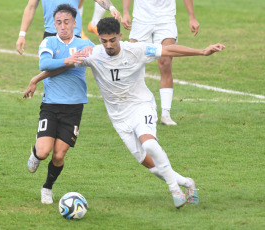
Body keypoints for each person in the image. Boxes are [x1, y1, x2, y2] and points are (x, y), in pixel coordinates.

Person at [28, 17, 224, 208]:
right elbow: (66, 65)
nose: (109, 45)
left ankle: (175, 190)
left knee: (149, 144)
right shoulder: (94, 54)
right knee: (148, 163)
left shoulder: (137, 50)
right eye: (104, 41)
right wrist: (36, 79)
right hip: (119, 117)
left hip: (141, 105)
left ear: (120, 36)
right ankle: (188, 183)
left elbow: (168, 49)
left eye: (112, 40)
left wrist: (202, 51)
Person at [24, 4, 95, 204]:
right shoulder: (49, 42)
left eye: (66, 22)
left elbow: (106, 55)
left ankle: (47, 188)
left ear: (74, 23)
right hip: (51, 105)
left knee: (59, 155)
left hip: (74, 108)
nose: (62, 26)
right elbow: (45, 64)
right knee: (44, 151)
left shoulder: (85, 44)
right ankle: (36, 154)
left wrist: (93, 50)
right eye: (58, 23)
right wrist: (68, 60)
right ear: (53, 24)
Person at [121, 0, 200, 126]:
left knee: (165, 61)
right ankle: (130, 111)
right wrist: (125, 12)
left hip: (166, 18)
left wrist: (192, 17)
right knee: (134, 63)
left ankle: (165, 114)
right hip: (141, 19)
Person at [16, 0, 121, 55]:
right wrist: (22, 34)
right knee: (50, 77)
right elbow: (30, 7)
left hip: (73, 34)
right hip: (51, 34)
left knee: (73, 74)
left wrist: (111, 7)